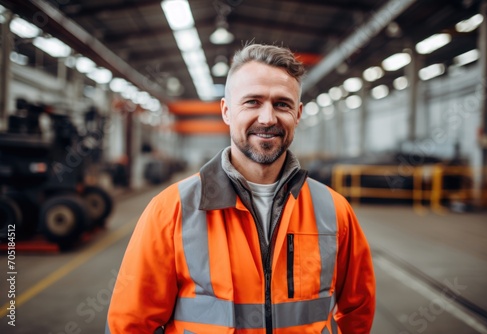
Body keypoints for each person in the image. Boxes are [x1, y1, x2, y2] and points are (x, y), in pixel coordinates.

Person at [106, 43, 375, 334]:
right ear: (226, 111)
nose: (268, 118)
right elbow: (130, 323)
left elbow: (358, 310)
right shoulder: (171, 210)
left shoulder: (334, 211)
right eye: (252, 102)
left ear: (298, 114)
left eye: (281, 104)